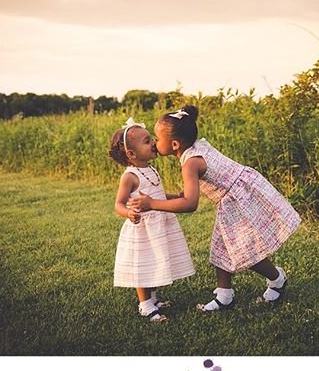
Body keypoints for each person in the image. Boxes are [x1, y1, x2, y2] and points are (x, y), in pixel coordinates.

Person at [129, 106, 300, 312]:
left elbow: (190, 204)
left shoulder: (190, 164)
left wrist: (152, 204)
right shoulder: (197, 148)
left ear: (174, 144)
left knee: (244, 249)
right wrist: (166, 196)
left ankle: (277, 279)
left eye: (157, 138)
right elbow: (195, 187)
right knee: (221, 248)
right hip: (237, 195)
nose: (155, 143)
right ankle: (224, 295)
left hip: (239, 199)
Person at [109, 117, 195, 322]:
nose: (154, 144)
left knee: (154, 261)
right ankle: (145, 304)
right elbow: (119, 204)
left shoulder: (151, 169)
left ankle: (153, 298)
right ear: (132, 154)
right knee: (143, 264)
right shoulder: (130, 176)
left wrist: (178, 197)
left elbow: (158, 196)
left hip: (158, 225)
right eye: (147, 141)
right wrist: (128, 213)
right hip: (143, 228)